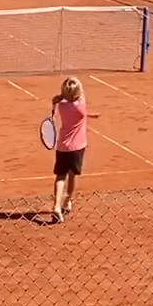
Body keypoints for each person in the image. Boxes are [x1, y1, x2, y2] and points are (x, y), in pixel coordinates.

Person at [49, 77, 96, 223]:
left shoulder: (62, 107)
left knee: (60, 176)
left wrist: (58, 98)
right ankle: (68, 201)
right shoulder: (81, 106)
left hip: (63, 147)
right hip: (77, 148)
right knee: (72, 176)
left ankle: (57, 205)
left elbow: (63, 99)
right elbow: (80, 96)